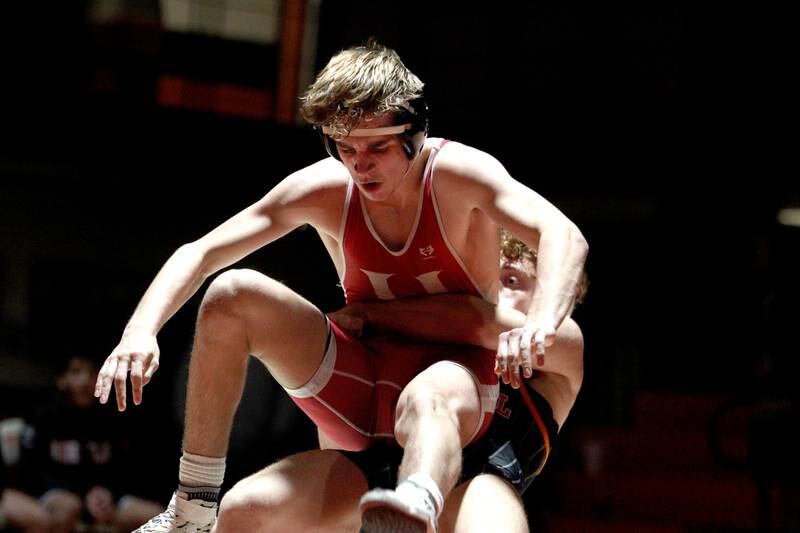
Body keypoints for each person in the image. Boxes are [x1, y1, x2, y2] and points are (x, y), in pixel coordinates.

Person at [96, 40, 588, 533]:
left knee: (429, 398)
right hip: (364, 395)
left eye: (376, 147)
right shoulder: (327, 188)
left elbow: (561, 234)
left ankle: (415, 502)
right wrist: (141, 330)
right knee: (231, 296)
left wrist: (543, 320)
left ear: (414, 133)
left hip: (451, 396)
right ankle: (191, 509)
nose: (360, 165)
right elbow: (201, 251)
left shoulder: (458, 175)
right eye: (344, 147)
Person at [214, 230, 586, 532]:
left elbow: (479, 321)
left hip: (477, 485)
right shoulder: (426, 325)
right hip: (383, 477)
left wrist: (367, 314)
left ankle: (421, 498)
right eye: (494, 279)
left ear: (556, 299)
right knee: (243, 508)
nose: (499, 293)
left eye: (513, 281)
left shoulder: (562, 344)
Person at [20, 354, 163, 533]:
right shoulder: (44, 416)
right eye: (77, 371)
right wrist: (81, 494)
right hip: (59, 493)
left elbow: (127, 467)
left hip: (105, 497)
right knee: (67, 509)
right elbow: (31, 470)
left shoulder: (113, 415)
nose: (86, 380)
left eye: (92, 372)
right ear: (62, 378)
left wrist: (109, 492)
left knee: (156, 517)